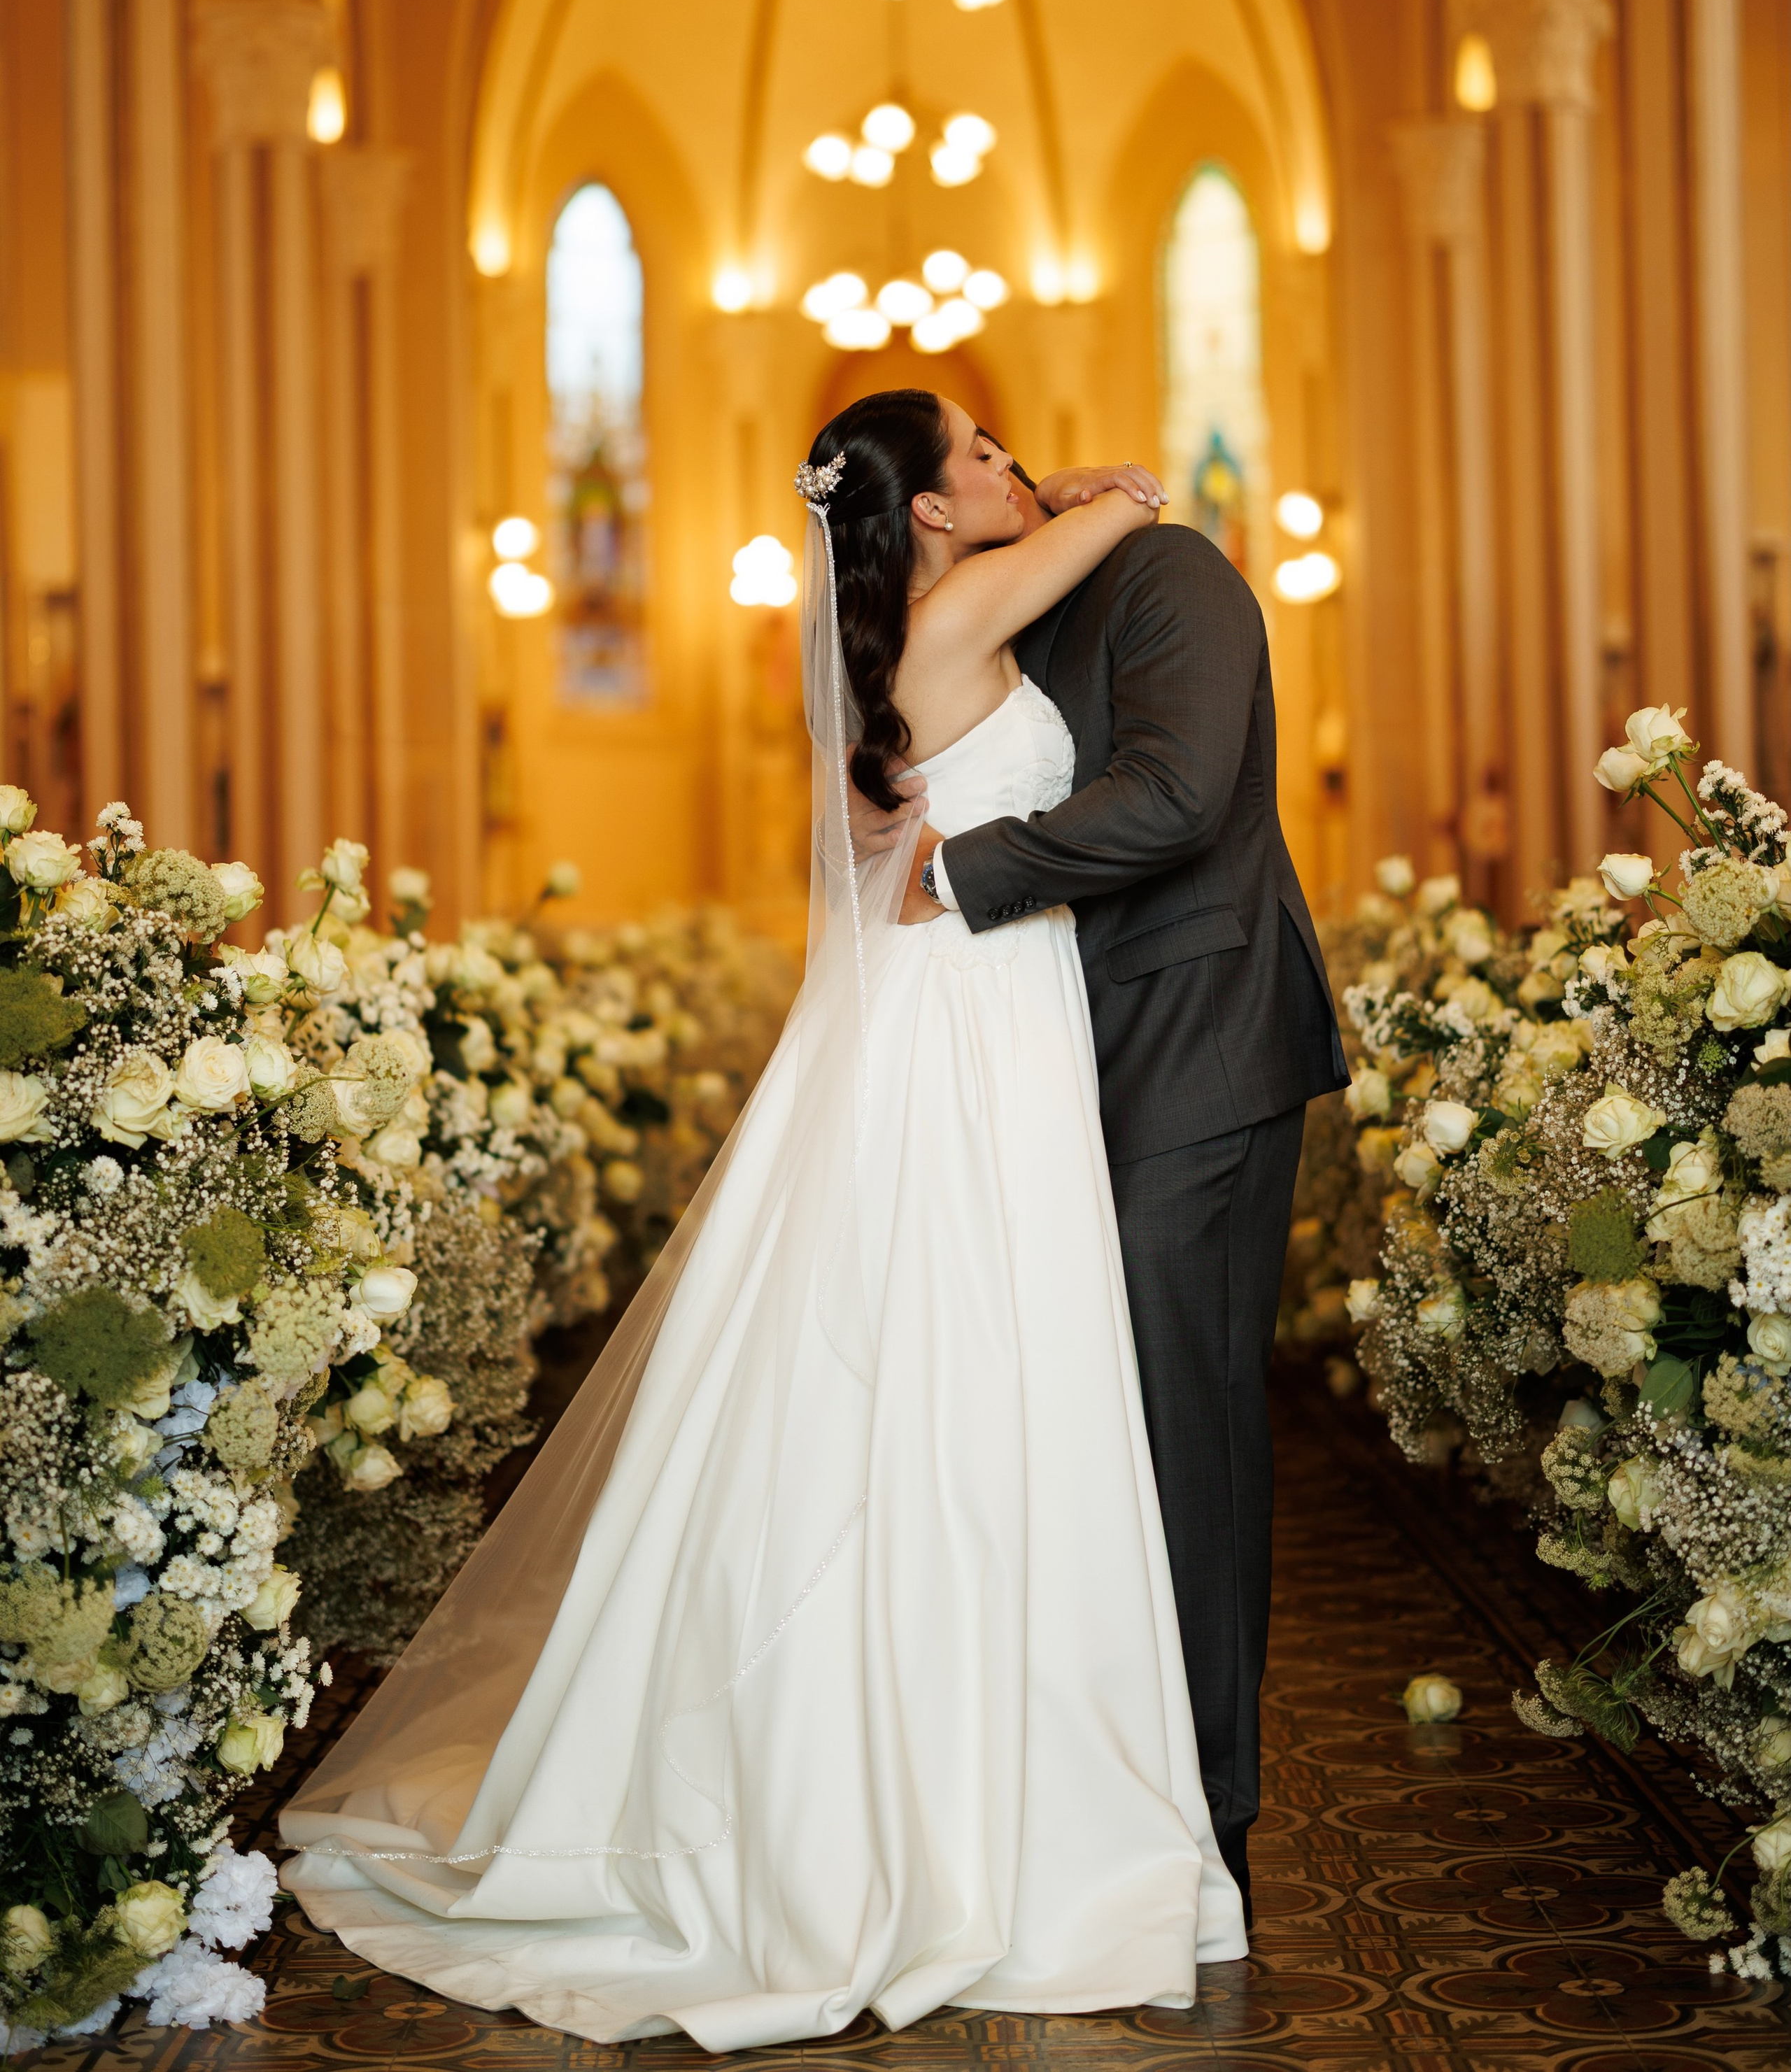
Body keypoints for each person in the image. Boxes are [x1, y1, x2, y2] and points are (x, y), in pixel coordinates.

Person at [281, 390, 1248, 2052]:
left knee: (942, 1368)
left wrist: (1035, 493)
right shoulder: (956, 613)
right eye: (983, 451)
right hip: (972, 1018)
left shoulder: (886, 645)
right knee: (981, 1367)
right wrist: (1087, 489)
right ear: (930, 518)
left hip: (962, 1007)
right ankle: (979, 1800)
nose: (1015, 464)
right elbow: (1138, 503)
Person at [865, 444, 1346, 1927]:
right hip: (1064, 1059)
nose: (1016, 461)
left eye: (1014, 448)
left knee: (1179, 1430)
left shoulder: (1168, 575)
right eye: (982, 453)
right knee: (1085, 1430)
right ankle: (1087, 1779)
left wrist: (962, 876)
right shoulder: (1016, 608)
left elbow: (1181, 793)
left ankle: (1207, 1824)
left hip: (1199, 1048)